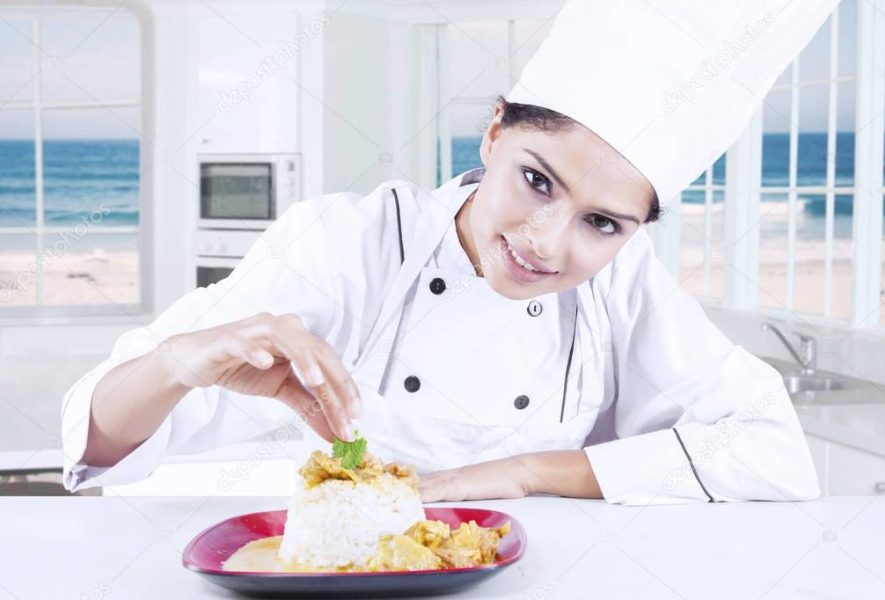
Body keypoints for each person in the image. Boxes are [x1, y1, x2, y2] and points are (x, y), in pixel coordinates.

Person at [61, 0, 839, 505]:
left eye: (602, 223)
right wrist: (174, 364)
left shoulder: (624, 281)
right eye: (536, 180)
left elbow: (772, 456)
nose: (545, 241)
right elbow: (95, 444)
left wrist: (523, 474)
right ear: (494, 130)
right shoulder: (352, 241)